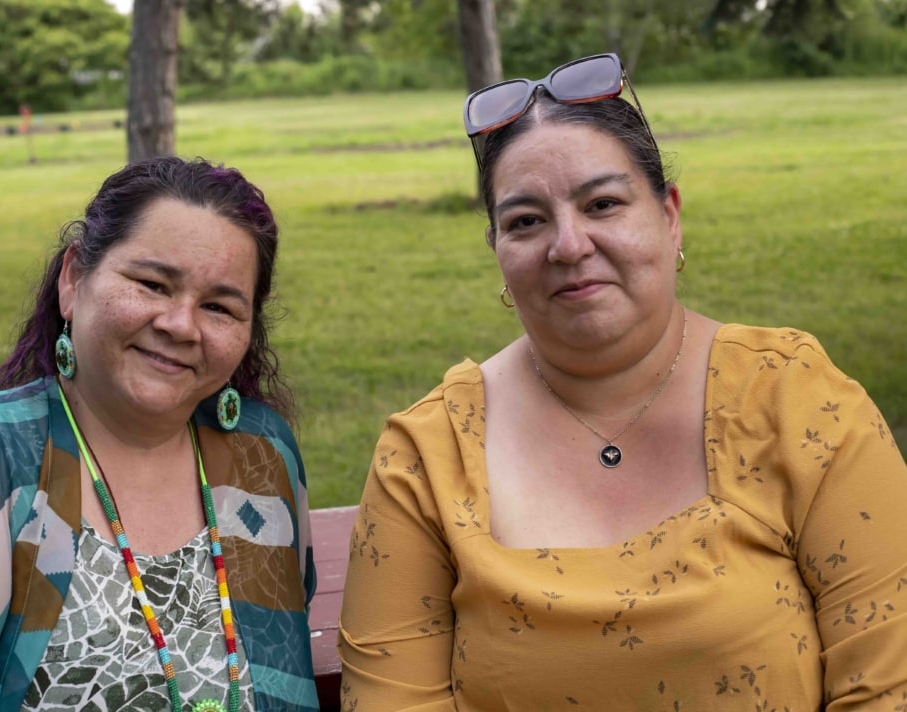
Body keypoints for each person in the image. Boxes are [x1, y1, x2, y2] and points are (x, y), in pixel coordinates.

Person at [338, 53, 907, 710]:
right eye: (526, 221)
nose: (568, 245)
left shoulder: (795, 401)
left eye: (602, 204)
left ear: (669, 216)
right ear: (495, 247)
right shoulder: (431, 455)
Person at [0, 157, 320, 712]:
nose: (180, 325)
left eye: (218, 306)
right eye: (152, 284)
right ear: (73, 278)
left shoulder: (262, 455)